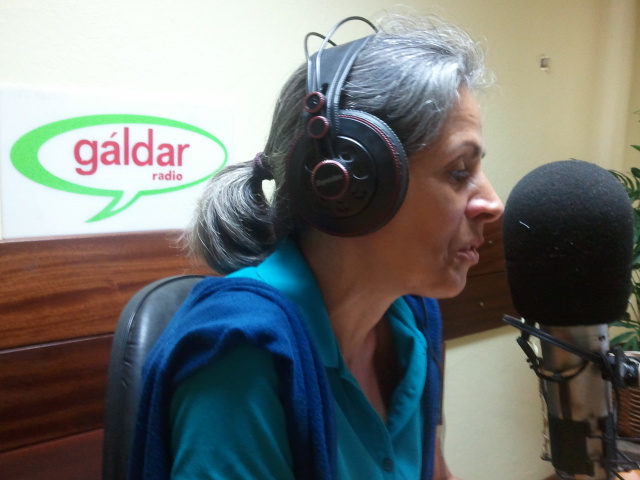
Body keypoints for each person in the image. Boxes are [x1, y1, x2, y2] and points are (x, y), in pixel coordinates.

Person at [131, 12, 504, 480]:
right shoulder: (243, 356)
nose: (493, 203)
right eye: (459, 171)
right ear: (352, 184)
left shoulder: (412, 318)